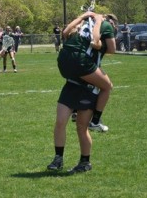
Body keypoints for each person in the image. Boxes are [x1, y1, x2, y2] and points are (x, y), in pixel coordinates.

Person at [47, 11, 107, 174]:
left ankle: (85, 162)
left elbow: (97, 42)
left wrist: (98, 21)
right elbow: (66, 31)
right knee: (60, 122)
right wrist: (83, 16)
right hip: (71, 86)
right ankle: (58, 158)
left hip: (86, 88)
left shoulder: (95, 42)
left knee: (82, 127)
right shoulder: (73, 38)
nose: (78, 27)